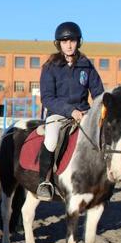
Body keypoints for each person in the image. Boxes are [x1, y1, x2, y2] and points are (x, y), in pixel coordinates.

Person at [37, 21, 104, 201]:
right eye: (64, 41)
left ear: (78, 42)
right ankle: (44, 182)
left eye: (72, 40)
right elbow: (47, 98)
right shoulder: (50, 67)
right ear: (59, 44)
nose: (68, 45)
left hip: (84, 113)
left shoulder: (86, 65)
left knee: (101, 136)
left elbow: (98, 93)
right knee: (51, 139)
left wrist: (98, 111)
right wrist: (70, 110)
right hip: (58, 113)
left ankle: (101, 178)